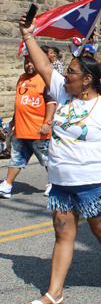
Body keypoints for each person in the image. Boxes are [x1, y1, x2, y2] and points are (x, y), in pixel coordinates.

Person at [18, 15, 101, 304]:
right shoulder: (64, 91)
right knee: (63, 235)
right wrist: (28, 35)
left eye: (71, 72)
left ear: (86, 79)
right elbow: (45, 66)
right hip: (61, 184)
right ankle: (54, 293)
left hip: (92, 184)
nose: (65, 74)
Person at [0, 53, 56, 199]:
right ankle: (7, 184)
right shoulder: (21, 79)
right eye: (27, 62)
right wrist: (12, 122)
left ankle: (53, 184)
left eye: (32, 62)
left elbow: (51, 103)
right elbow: (20, 104)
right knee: (16, 158)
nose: (29, 65)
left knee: (46, 159)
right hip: (20, 129)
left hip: (38, 130)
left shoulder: (45, 80)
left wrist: (47, 123)